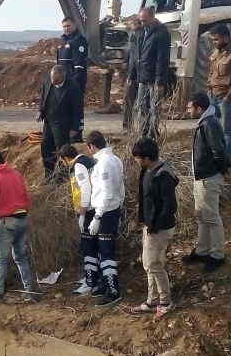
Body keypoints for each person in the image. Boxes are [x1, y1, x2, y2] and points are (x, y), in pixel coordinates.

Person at [131, 137, 179, 317]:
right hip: (150, 225)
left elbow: (170, 206)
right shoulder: (147, 170)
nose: (136, 161)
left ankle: (165, 301)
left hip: (160, 228)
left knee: (154, 263)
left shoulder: (163, 175)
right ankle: (152, 301)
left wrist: (155, 225)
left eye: (137, 158)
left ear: (146, 158)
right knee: (148, 264)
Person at [0, 149, 37, 302]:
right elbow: (26, 196)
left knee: (1, 259)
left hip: (7, 222)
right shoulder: (16, 174)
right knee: (20, 257)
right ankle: (29, 291)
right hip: (23, 219)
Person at [182, 93, 228, 272]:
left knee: (212, 217)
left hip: (208, 178)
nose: (188, 110)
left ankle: (217, 254)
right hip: (201, 177)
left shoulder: (209, 124)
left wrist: (219, 171)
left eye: (190, 107)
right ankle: (203, 250)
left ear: (199, 108)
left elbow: (219, 152)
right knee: (202, 216)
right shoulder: (206, 121)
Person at [84, 131, 125, 307]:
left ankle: (113, 290)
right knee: (103, 249)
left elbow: (107, 192)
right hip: (111, 209)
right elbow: (120, 188)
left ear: (91, 146)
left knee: (107, 251)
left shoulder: (104, 163)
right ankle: (104, 284)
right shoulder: (114, 159)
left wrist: (98, 216)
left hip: (106, 212)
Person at [59, 144, 95, 296]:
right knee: (93, 246)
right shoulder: (88, 160)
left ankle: (90, 282)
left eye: (62, 162)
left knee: (88, 247)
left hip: (88, 210)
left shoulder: (78, 166)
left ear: (65, 158)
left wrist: (82, 210)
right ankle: (92, 276)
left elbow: (85, 187)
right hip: (94, 208)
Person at [38, 65, 83, 182]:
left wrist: (75, 128)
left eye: (56, 81)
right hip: (49, 121)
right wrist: (40, 111)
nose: (53, 83)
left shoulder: (73, 87)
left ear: (63, 76)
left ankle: (61, 177)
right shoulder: (49, 81)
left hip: (63, 124)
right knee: (46, 147)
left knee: (61, 150)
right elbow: (43, 96)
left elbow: (78, 109)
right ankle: (48, 174)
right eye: (52, 80)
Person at [134, 7, 171, 140]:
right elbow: (139, 56)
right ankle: (143, 133)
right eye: (141, 21)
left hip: (154, 79)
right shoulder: (143, 32)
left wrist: (159, 82)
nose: (142, 23)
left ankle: (152, 134)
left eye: (144, 20)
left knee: (154, 108)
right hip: (143, 78)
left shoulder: (161, 32)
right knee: (142, 107)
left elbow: (162, 59)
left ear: (152, 17)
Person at [57, 17, 88, 142]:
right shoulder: (62, 42)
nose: (66, 28)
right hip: (63, 83)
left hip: (74, 83)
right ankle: (67, 134)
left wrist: (75, 84)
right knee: (65, 109)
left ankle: (77, 135)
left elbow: (79, 66)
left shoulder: (79, 41)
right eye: (64, 26)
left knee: (76, 109)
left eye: (68, 26)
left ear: (75, 25)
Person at [207, 24, 231, 154]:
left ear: (226, 38)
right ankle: (217, 159)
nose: (214, 42)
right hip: (212, 97)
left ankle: (226, 164)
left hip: (225, 99)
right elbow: (211, 73)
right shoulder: (216, 53)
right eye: (213, 40)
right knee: (214, 130)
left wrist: (228, 98)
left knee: (226, 132)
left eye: (216, 39)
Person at [124, 17, 143, 130]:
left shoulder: (138, 36)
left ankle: (129, 126)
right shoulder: (133, 36)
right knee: (130, 101)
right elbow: (131, 56)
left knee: (133, 101)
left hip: (137, 75)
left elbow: (136, 58)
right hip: (134, 74)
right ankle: (129, 126)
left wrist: (130, 76)